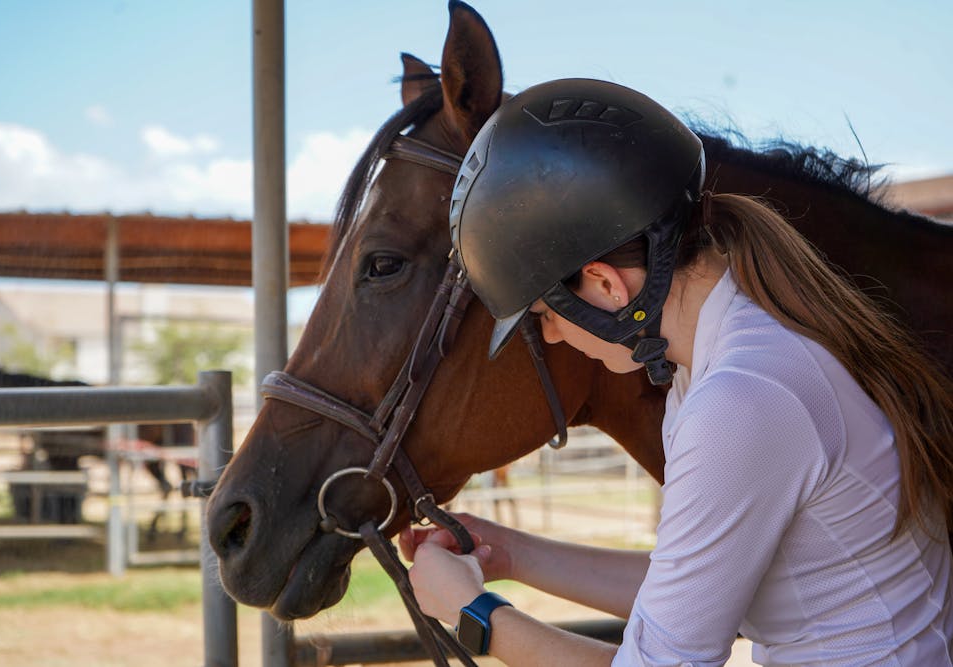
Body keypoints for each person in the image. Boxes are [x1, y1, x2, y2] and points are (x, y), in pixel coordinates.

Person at [399, 78, 953, 666]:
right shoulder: (734, 353)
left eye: (543, 315)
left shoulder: (742, 400)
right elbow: (692, 586)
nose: (554, 335)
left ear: (606, 285)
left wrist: (473, 615)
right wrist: (509, 553)